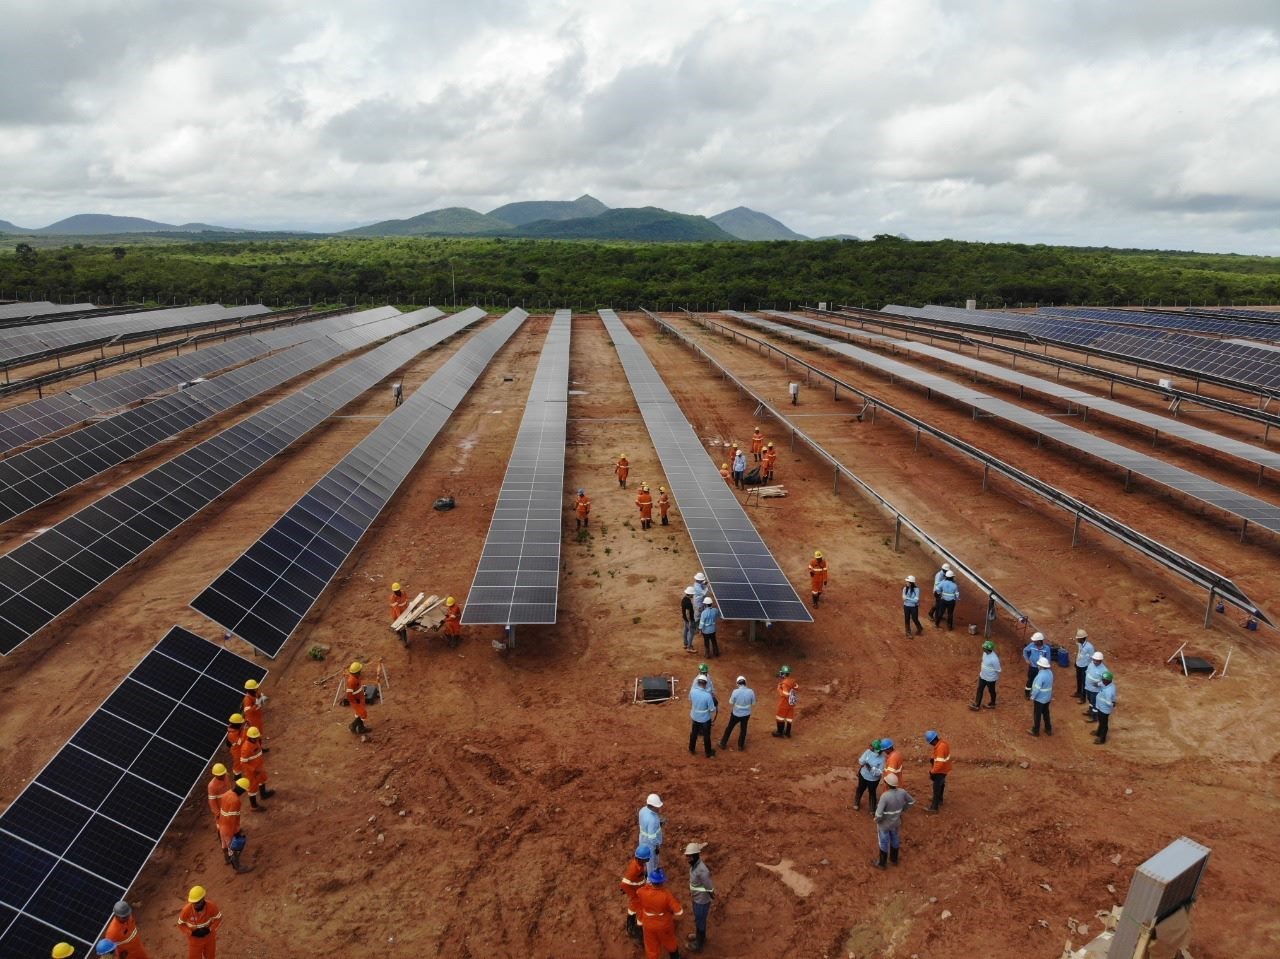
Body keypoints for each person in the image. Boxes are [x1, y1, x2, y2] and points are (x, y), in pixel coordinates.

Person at [636, 868, 684, 959]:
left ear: (650, 881)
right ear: (662, 882)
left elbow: (639, 904)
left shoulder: (642, 892)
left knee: (651, 947)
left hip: (648, 925)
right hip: (664, 925)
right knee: (670, 942)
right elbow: (679, 912)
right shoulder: (666, 895)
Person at [872, 773, 915, 869]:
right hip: (896, 823)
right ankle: (894, 859)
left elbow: (878, 814)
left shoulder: (885, 796)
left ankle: (882, 863)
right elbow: (912, 802)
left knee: (883, 842)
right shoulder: (902, 792)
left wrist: (877, 820)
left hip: (884, 825)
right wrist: (902, 810)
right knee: (895, 839)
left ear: (887, 784)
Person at [177, 886, 222, 959]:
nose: (195, 905)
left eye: (197, 902)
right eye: (193, 903)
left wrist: (209, 929)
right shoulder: (186, 910)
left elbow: (218, 918)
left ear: (203, 898)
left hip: (209, 937)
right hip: (194, 940)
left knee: (210, 957)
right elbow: (180, 924)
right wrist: (192, 933)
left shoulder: (212, 906)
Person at [685, 842, 715, 953]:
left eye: (689, 856)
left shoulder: (702, 870)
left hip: (702, 901)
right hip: (696, 898)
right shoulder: (694, 866)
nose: (687, 858)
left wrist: (711, 893)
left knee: (700, 920)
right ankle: (699, 935)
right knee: (698, 919)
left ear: (696, 856)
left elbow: (708, 885)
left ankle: (699, 943)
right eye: (687, 856)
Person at [620, 845, 651, 941]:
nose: (647, 861)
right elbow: (624, 884)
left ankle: (630, 927)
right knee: (641, 912)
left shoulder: (639, 864)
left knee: (632, 908)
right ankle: (639, 933)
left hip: (638, 890)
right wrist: (634, 896)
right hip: (637, 894)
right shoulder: (635, 869)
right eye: (646, 859)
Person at [238, 727, 273, 807]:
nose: (256, 739)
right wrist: (253, 770)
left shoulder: (256, 742)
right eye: (255, 738)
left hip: (259, 767)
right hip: (251, 772)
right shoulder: (246, 748)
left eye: (257, 737)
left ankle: (263, 794)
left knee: (262, 779)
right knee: (252, 788)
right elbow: (243, 763)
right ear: (250, 737)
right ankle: (254, 806)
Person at [719, 675, 755, 750]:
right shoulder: (751, 691)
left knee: (729, 728)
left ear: (738, 683)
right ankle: (740, 746)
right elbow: (753, 703)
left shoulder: (735, 691)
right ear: (745, 683)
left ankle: (723, 743)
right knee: (743, 729)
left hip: (736, 714)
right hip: (746, 715)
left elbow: (731, 702)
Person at [688, 676, 716, 758]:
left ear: (698, 683)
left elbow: (690, 699)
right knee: (706, 735)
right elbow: (712, 709)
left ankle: (691, 749)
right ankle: (708, 752)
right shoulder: (707, 696)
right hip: (705, 719)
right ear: (705, 684)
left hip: (695, 716)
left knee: (694, 733)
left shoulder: (692, 692)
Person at [854, 739, 885, 813]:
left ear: (875, 749)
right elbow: (861, 761)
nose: (870, 746)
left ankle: (872, 808)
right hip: (863, 776)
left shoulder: (882, 758)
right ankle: (856, 802)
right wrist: (864, 762)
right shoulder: (867, 752)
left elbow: (879, 772)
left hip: (873, 780)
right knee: (860, 789)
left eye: (871, 746)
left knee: (872, 792)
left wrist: (869, 767)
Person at [924, 730, 951, 812]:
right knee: (941, 784)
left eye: (930, 743)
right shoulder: (942, 743)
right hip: (944, 769)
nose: (930, 744)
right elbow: (938, 756)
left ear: (933, 740)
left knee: (936, 787)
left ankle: (934, 808)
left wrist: (932, 772)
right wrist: (932, 758)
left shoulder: (940, 747)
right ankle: (940, 800)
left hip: (940, 771)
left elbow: (939, 764)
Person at [638, 794, 665, 877]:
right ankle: (650, 879)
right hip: (651, 844)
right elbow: (652, 838)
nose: (659, 808)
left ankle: (652, 871)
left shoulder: (642, 810)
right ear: (652, 806)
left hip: (642, 839)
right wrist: (657, 845)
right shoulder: (653, 820)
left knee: (648, 860)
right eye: (657, 806)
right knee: (651, 861)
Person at [971, 640, 1001, 710]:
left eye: (984, 648)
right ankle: (977, 705)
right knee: (979, 689)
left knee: (991, 691)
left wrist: (990, 672)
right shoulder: (984, 653)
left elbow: (998, 669)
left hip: (990, 679)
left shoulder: (994, 659)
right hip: (982, 676)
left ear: (987, 649)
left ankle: (993, 703)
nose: (982, 648)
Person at [1029, 657, 1054, 736]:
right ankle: (1048, 729)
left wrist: (1032, 696)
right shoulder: (1050, 672)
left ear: (1041, 666)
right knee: (1046, 713)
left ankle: (1035, 731)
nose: (1038, 666)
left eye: (1038, 665)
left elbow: (1036, 688)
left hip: (1039, 699)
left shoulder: (1040, 676)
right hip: (1047, 698)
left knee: (1037, 715)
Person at [345, 661, 371, 735]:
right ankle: (353, 726)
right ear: (356, 672)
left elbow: (358, 687)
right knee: (363, 713)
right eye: (360, 671)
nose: (361, 672)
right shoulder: (351, 681)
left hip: (360, 699)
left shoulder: (356, 677)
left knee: (360, 713)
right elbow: (349, 694)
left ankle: (360, 728)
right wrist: (356, 702)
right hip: (357, 701)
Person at [1023, 632, 1050, 699]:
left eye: (1035, 640)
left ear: (1039, 641)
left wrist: (1047, 668)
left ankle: (1036, 693)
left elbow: (1048, 658)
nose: (1033, 641)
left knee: (1039, 681)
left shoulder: (1046, 648)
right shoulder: (1032, 645)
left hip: (1041, 669)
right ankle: (1027, 693)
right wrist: (1026, 659)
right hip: (1032, 667)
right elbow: (1025, 650)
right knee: (1030, 680)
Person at [773, 665, 798, 738]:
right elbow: (797, 687)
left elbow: (786, 694)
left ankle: (779, 732)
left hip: (784, 703)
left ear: (784, 674)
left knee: (779, 717)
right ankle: (787, 733)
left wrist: (779, 689)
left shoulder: (784, 683)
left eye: (782, 673)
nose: (780, 675)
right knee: (789, 718)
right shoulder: (792, 681)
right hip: (791, 704)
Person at [1094, 672, 1117, 744]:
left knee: (1104, 724)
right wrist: (1098, 684)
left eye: (1104, 680)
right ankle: (1098, 733)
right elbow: (1100, 684)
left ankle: (1102, 739)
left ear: (1108, 681)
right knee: (1101, 721)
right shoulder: (1106, 683)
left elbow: (1110, 703)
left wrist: (1112, 704)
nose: (1102, 681)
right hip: (1100, 706)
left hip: (1104, 710)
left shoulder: (1109, 691)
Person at [1084, 650, 1107, 719]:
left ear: (1101, 660)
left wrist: (1099, 684)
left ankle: (1094, 717)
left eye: (1097, 660)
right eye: (1094, 660)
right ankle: (1090, 711)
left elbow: (1106, 682)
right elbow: (1087, 672)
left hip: (1095, 690)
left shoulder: (1104, 670)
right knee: (1090, 700)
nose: (1095, 662)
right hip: (1088, 687)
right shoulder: (1091, 664)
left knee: (1095, 703)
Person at [1073, 628, 1094, 701]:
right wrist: (1076, 662)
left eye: (1078, 638)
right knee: (1078, 679)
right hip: (1079, 665)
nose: (1077, 639)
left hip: (1085, 667)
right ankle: (1078, 692)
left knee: (1084, 682)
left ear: (1082, 638)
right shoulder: (1080, 644)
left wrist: (1089, 668)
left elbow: (1092, 658)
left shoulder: (1089, 647)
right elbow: (1079, 653)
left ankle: (1083, 697)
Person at [680, 586, 697, 652]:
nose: (693, 595)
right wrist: (690, 621)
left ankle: (685, 644)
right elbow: (687, 613)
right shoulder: (688, 603)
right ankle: (689, 647)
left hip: (685, 619)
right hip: (689, 620)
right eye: (692, 594)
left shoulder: (683, 599)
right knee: (691, 633)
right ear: (689, 594)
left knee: (685, 630)